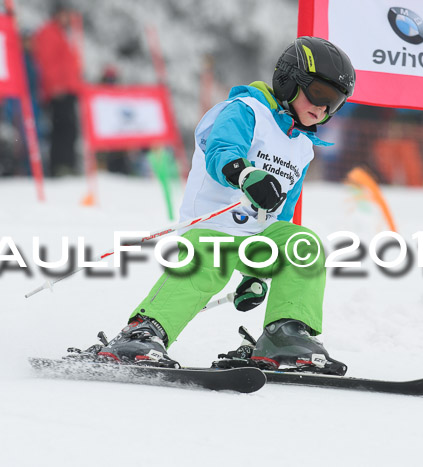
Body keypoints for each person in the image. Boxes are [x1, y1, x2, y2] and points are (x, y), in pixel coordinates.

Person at [90, 37, 356, 375]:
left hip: (257, 235)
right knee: (204, 267)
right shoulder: (247, 111)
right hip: (212, 227)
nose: (323, 108)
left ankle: (285, 336)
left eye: (335, 102)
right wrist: (246, 175)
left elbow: (280, 213)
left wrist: (256, 275)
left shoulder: (303, 146)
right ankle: (142, 333)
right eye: (319, 94)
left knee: (303, 244)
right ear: (290, 80)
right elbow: (220, 149)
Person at [32, 1, 82, 176]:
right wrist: (55, 85)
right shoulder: (48, 32)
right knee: (60, 129)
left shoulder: (64, 34)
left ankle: (68, 164)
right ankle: (59, 167)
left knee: (71, 129)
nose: (67, 17)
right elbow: (46, 63)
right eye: (64, 13)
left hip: (69, 89)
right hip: (57, 91)